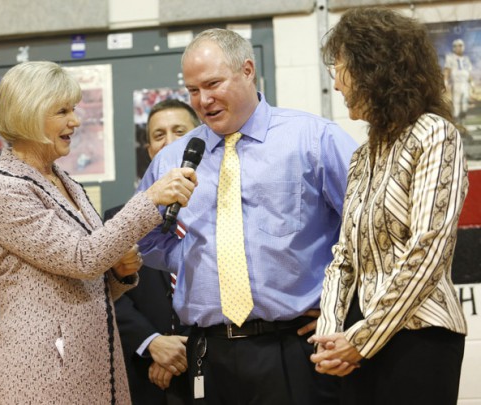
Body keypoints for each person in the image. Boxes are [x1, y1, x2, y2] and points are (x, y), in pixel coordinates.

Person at [136, 28, 358, 404]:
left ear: (248, 70)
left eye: (213, 84)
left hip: (297, 348)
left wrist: (346, 312)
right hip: (209, 353)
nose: (203, 100)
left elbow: (367, 231)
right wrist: (191, 255)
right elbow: (144, 239)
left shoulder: (313, 139)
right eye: (192, 90)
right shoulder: (173, 160)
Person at [0, 61, 197, 404]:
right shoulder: (4, 191)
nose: (75, 121)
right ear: (28, 114)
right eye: (62, 111)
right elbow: (82, 258)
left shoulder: (67, 183)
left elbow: (79, 283)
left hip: (92, 364)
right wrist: (149, 199)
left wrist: (119, 275)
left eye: (74, 109)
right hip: (43, 373)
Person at [310, 8, 469, 405]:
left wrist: (362, 339)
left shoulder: (436, 133)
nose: (337, 83)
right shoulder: (363, 156)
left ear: (373, 70)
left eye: (341, 68)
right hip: (355, 344)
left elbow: (429, 249)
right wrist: (331, 336)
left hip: (420, 341)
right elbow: (344, 256)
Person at [106, 99, 200, 405]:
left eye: (179, 132)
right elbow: (104, 292)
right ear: (149, 150)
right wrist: (152, 343)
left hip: (215, 365)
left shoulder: (221, 216)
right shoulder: (117, 219)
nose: (169, 142)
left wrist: (187, 349)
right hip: (144, 374)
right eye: (159, 136)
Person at [444, 38, 474, 124]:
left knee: (464, 106)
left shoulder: (466, 59)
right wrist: (445, 82)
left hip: (465, 84)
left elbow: (468, 73)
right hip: (456, 84)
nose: (459, 48)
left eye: (460, 46)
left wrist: (472, 83)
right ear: (454, 47)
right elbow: (447, 70)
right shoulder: (450, 57)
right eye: (457, 46)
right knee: (456, 107)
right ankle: (457, 126)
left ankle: (463, 124)